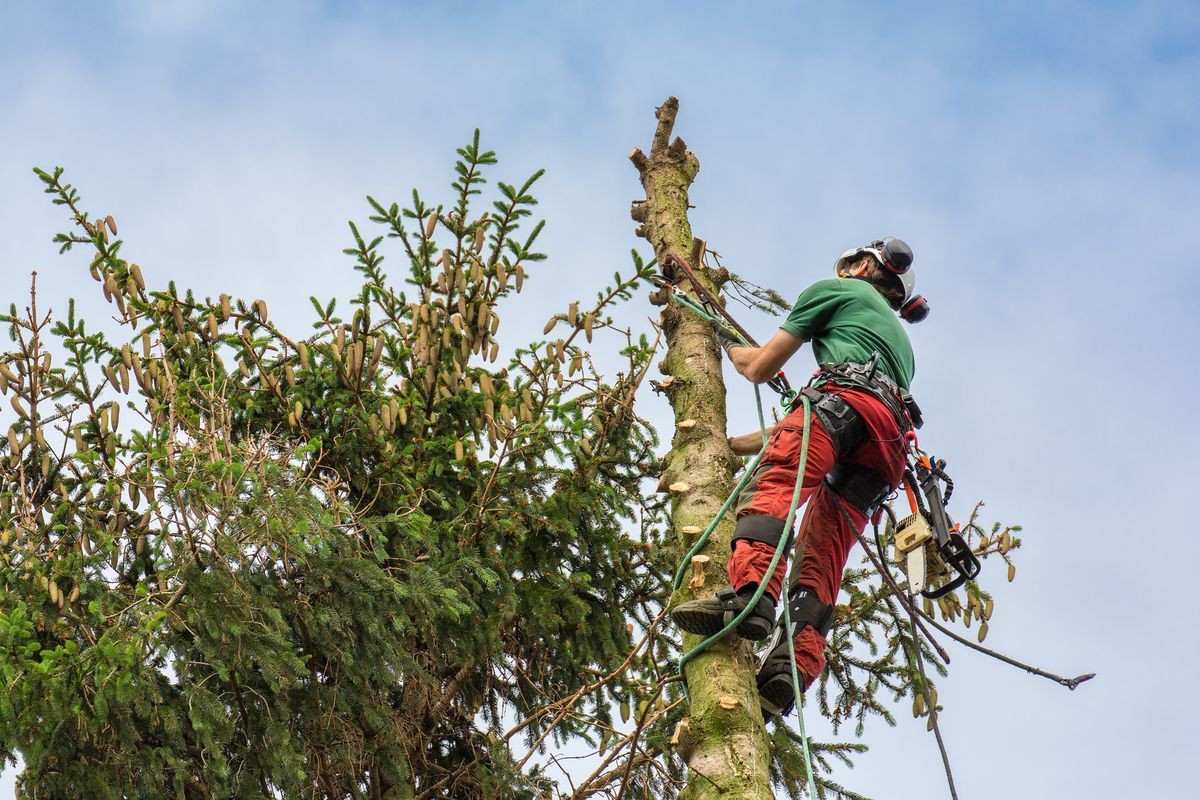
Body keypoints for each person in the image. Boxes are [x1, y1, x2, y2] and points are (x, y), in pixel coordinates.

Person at [670, 238, 928, 716]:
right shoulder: (899, 344)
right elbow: (817, 428)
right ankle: (791, 667)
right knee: (823, 553)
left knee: (773, 488)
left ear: (860, 265)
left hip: (840, 405)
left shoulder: (836, 289)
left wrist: (726, 340)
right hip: (885, 447)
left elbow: (760, 367)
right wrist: (732, 445)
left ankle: (749, 597)